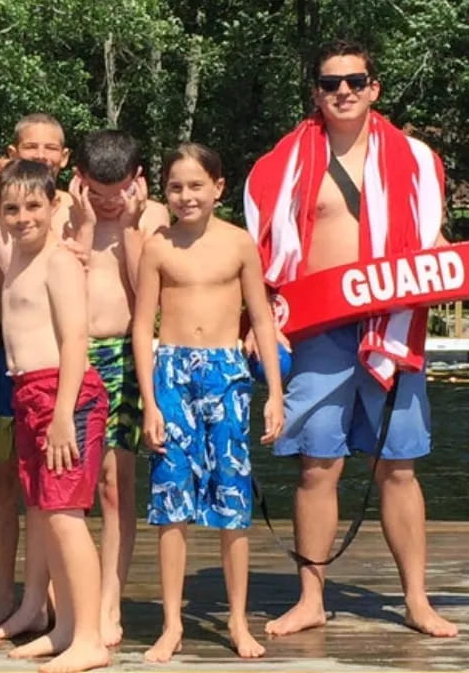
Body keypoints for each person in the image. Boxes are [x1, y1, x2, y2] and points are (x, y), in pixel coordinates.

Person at [243, 39, 458, 638]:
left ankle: (416, 598)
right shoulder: (281, 164)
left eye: (355, 81)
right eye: (331, 82)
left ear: (374, 89)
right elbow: (260, 254)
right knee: (318, 467)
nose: (343, 91)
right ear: (315, 91)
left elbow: (430, 242)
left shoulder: (414, 159)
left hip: (392, 325)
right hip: (314, 329)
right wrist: (253, 327)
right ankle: (311, 597)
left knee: (399, 467)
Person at [132, 142, 284, 661]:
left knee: (233, 502)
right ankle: (172, 622)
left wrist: (275, 395)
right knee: (170, 502)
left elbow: (262, 318)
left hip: (225, 373)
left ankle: (238, 620)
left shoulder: (240, 244)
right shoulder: (157, 245)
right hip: (172, 369)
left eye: (196, 185)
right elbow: (140, 326)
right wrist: (150, 402)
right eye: (175, 186)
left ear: (219, 187)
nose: (186, 195)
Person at [0, 158, 109, 673]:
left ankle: (91, 638)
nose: (23, 217)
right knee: (44, 512)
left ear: (54, 205)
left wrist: (63, 413)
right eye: (11, 208)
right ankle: (63, 629)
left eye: (33, 206)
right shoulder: (15, 259)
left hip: (66, 396)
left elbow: (75, 341)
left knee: (66, 516)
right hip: (27, 394)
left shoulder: (59, 261)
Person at [74, 130, 169, 645]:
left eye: (117, 194)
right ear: (80, 181)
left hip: (123, 357)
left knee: (115, 485)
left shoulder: (151, 218)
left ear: (138, 182)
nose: (107, 204)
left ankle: (110, 598)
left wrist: (130, 226)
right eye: (96, 193)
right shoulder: (69, 212)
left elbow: (145, 293)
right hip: (70, 354)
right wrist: (87, 223)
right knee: (66, 486)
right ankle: (67, 599)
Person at [0, 113, 77, 628]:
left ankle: (59, 603)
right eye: (30, 147)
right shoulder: (5, 203)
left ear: (64, 158)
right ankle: (9, 595)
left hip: (61, 365)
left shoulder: (77, 210)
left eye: (51, 149)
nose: (41, 155)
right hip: (8, 361)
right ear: (12, 150)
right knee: (5, 480)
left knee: (63, 488)